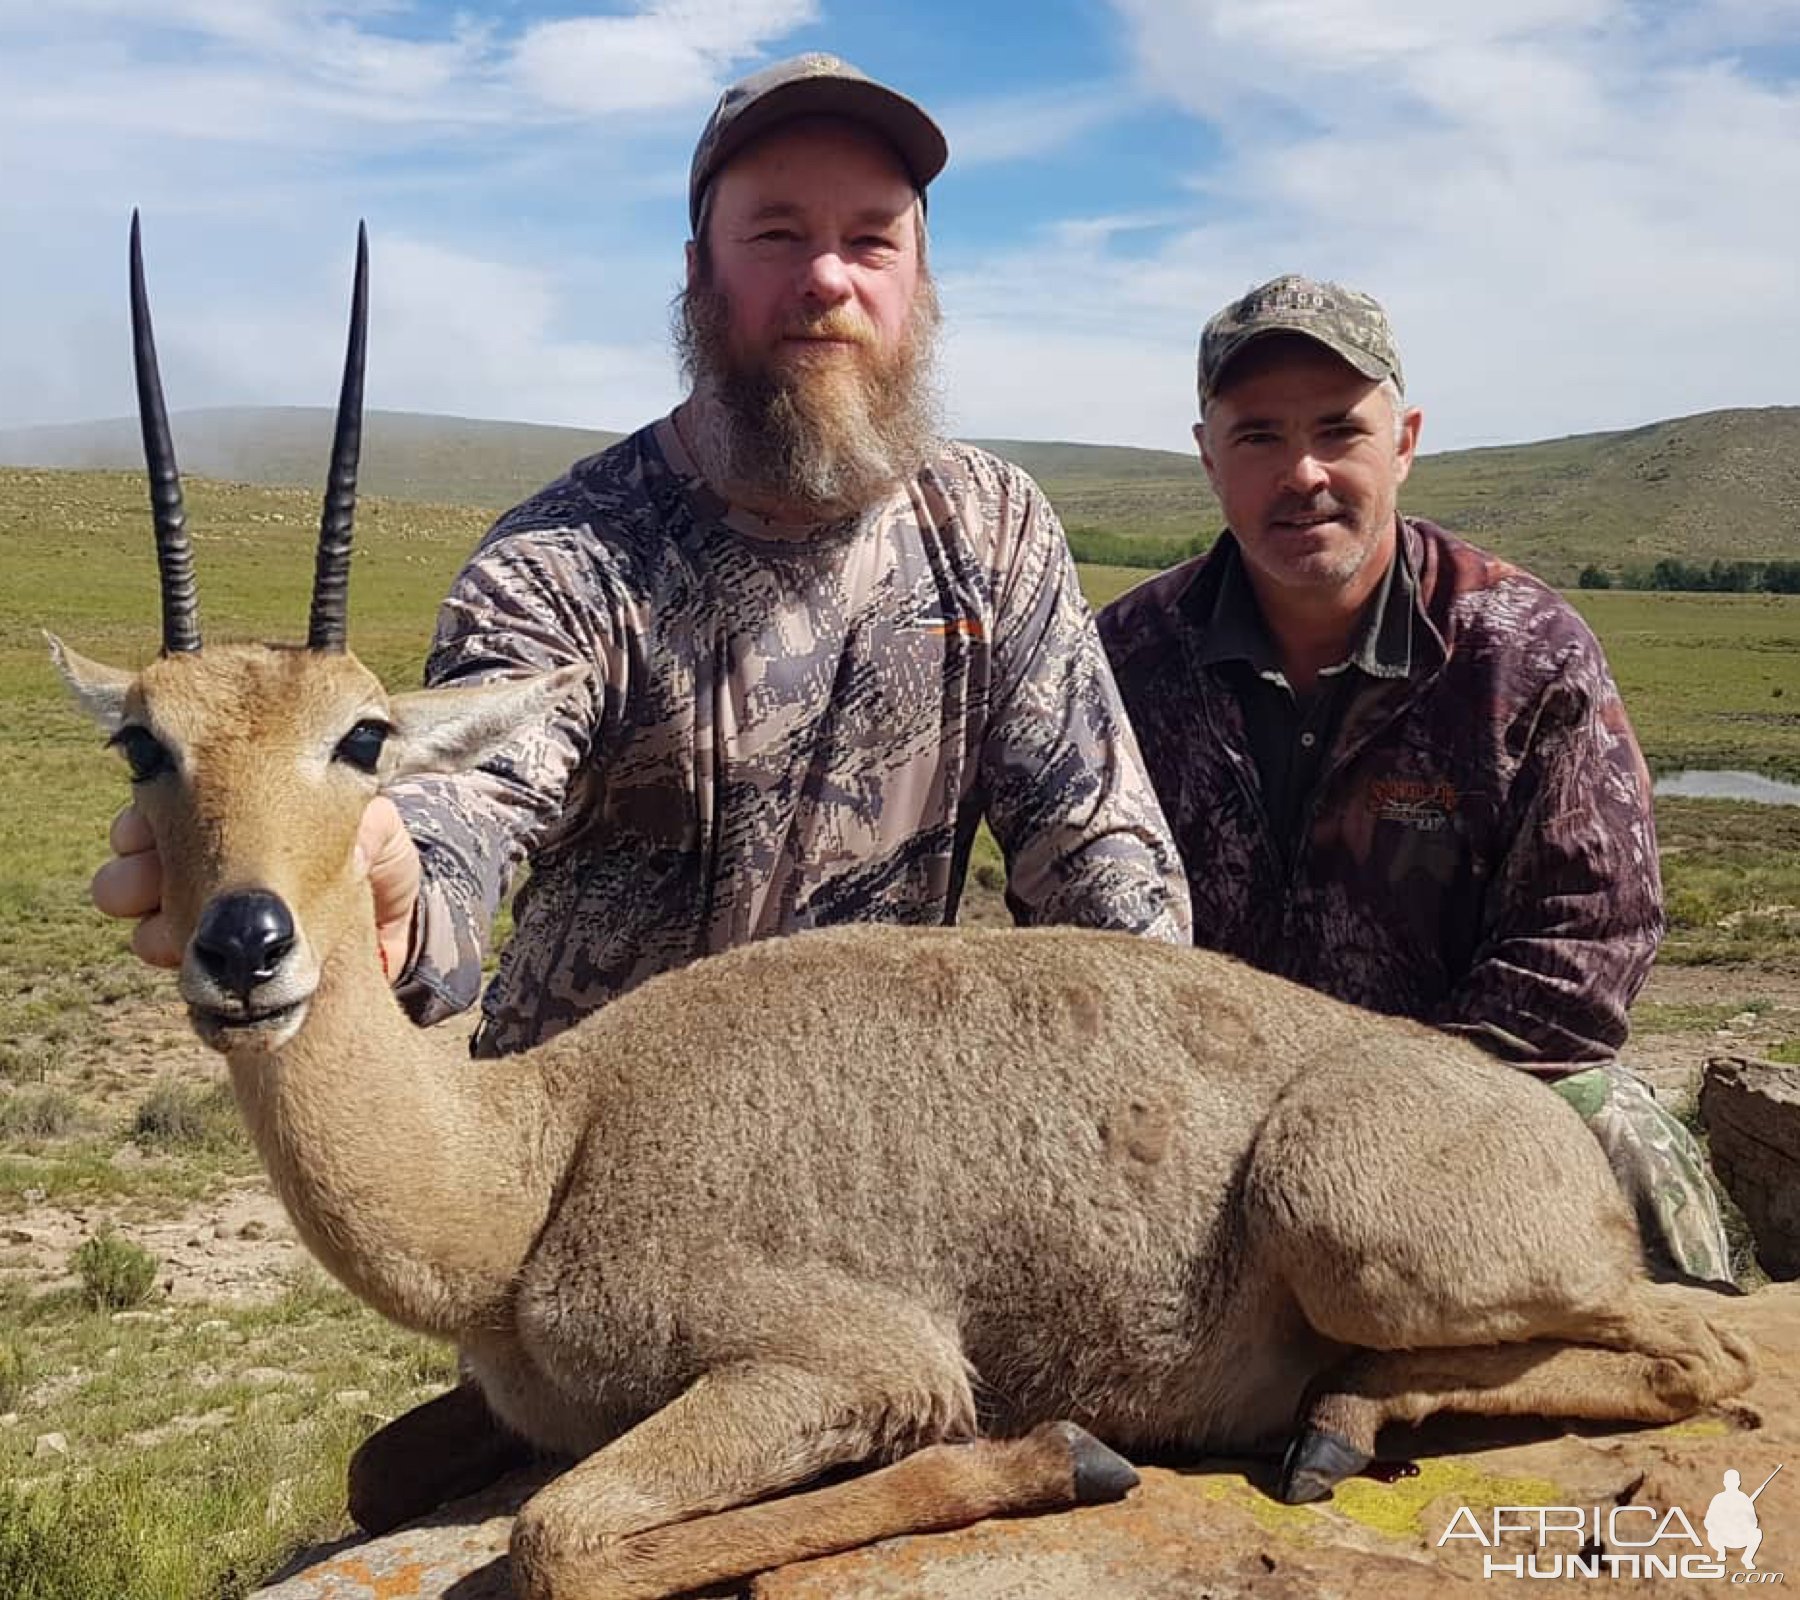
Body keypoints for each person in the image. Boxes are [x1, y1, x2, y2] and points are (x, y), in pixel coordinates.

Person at [93, 52, 1191, 1059]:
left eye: (870, 238)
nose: (826, 276)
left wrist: (1150, 1075)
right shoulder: (560, 563)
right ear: (696, 273)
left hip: (875, 1178)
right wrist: (384, 888)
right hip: (587, 1178)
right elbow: (460, 817)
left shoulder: (993, 528)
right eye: (774, 233)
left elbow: (1103, 863)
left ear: (921, 286)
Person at [1097, 274, 1731, 1284]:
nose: (1302, 472)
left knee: (1620, 1133)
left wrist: (1368, 1131)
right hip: (1187, 1130)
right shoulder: (1122, 657)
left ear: (1405, 441)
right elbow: (1077, 934)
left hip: (1460, 1112)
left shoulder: (1524, 654)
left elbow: (1586, 947)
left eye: (1338, 431)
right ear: (1208, 454)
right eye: (1258, 436)